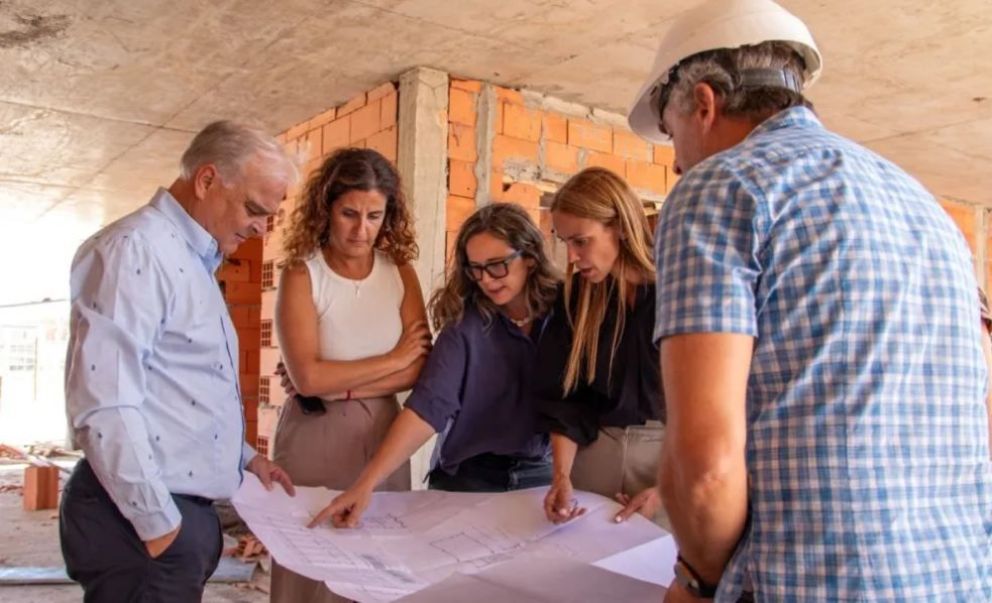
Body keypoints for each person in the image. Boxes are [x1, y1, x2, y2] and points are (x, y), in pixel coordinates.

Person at [627, 0, 992, 600]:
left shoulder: (720, 186)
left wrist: (697, 580)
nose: (675, 161)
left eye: (670, 132)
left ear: (704, 104)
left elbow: (706, 464)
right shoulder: (927, 208)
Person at [60, 120, 297, 602]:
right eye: (255, 209)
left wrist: (245, 459)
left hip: (166, 521)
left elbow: (180, 390)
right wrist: (160, 528)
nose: (261, 227)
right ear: (207, 180)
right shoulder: (137, 250)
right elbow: (105, 403)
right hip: (138, 523)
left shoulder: (191, 260)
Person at [307, 203, 560, 529]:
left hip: (543, 474)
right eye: (475, 269)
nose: (486, 280)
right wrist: (366, 484)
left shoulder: (566, 316)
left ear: (530, 257)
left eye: (497, 266)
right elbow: (427, 408)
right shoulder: (466, 326)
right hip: (468, 477)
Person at [271, 147, 429, 602]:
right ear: (326, 209)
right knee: (310, 559)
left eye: (374, 216)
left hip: (385, 434)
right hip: (314, 434)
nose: (362, 230)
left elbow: (420, 369)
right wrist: (393, 359)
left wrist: (339, 385)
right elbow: (307, 380)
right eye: (349, 214)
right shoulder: (303, 274)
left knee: (376, 563)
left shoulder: (400, 273)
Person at [536, 167, 666, 526]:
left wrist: (669, 489)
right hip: (594, 455)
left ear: (620, 226)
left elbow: (716, 406)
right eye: (565, 242)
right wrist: (561, 478)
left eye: (581, 241)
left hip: (673, 463)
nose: (571, 257)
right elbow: (565, 400)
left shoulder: (678, 290)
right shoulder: (574, 298)